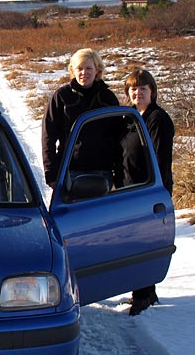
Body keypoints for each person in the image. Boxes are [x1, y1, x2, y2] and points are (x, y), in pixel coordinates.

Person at [121, 69, 175, 316]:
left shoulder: (157, 119)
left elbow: (159, 159)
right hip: (130, 192)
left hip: (149, 193)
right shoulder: (131, 118)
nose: (138, 92)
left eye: (143, 88)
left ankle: (145, 294)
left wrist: (153, 193)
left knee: (145, 243)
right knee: (133, 243)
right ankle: (140, 291)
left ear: (152, 91)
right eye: (133, 88)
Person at [41, 48, 120, 189]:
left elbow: (119, 137)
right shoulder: (62, 97)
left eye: (89, 68)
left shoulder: (108, 98)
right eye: (80, 68)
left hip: (102, 171)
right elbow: (48, 136)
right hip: (70, 170)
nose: (84, 73)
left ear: (97, 69)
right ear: (73, 70)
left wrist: (120, 172)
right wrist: (51, 172)